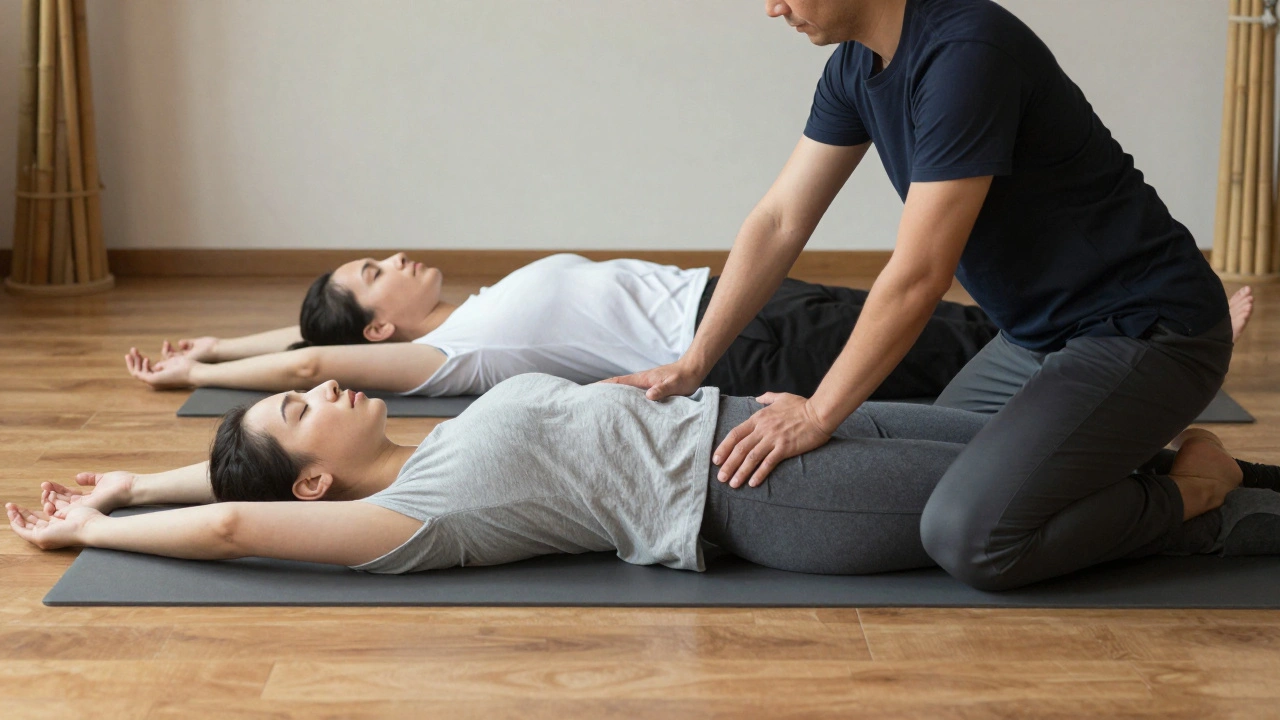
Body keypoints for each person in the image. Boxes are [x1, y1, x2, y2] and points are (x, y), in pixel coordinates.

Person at [606, 0, 1260, 591]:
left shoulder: (966, 54)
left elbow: (920, 273)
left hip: (1145, 332)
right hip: (1034, 341)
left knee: (970, 536)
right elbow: (780, 221)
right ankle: (1126, 461)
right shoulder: (854, 68)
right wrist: (693, 363)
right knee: (921, 483)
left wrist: (819, 414)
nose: (773, 7)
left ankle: (1197, 491)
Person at [9, 376, 1280, 579]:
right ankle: (1195, 506)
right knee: (1059, 498)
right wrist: (99, 531)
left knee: (1061, 441)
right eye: (303, 410)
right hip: (760, 499)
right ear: (310, 485)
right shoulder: (410, 513)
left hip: (774, 418)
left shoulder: (437, 436)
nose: (327, 389)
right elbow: (237, 524)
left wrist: (135, 475)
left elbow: (235, 482)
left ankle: (1217, 477)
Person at [125, 252, 1004, 400]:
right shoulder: (457, 352)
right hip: (744, 346)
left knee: (963, 326)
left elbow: (305, 344)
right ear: (381, 331)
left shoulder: (473, 309)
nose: (393, 259)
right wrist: (198, 377)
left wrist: (219, 342)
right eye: (373, 275)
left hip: (743, 298)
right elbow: (314, 364)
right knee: (961, 360)